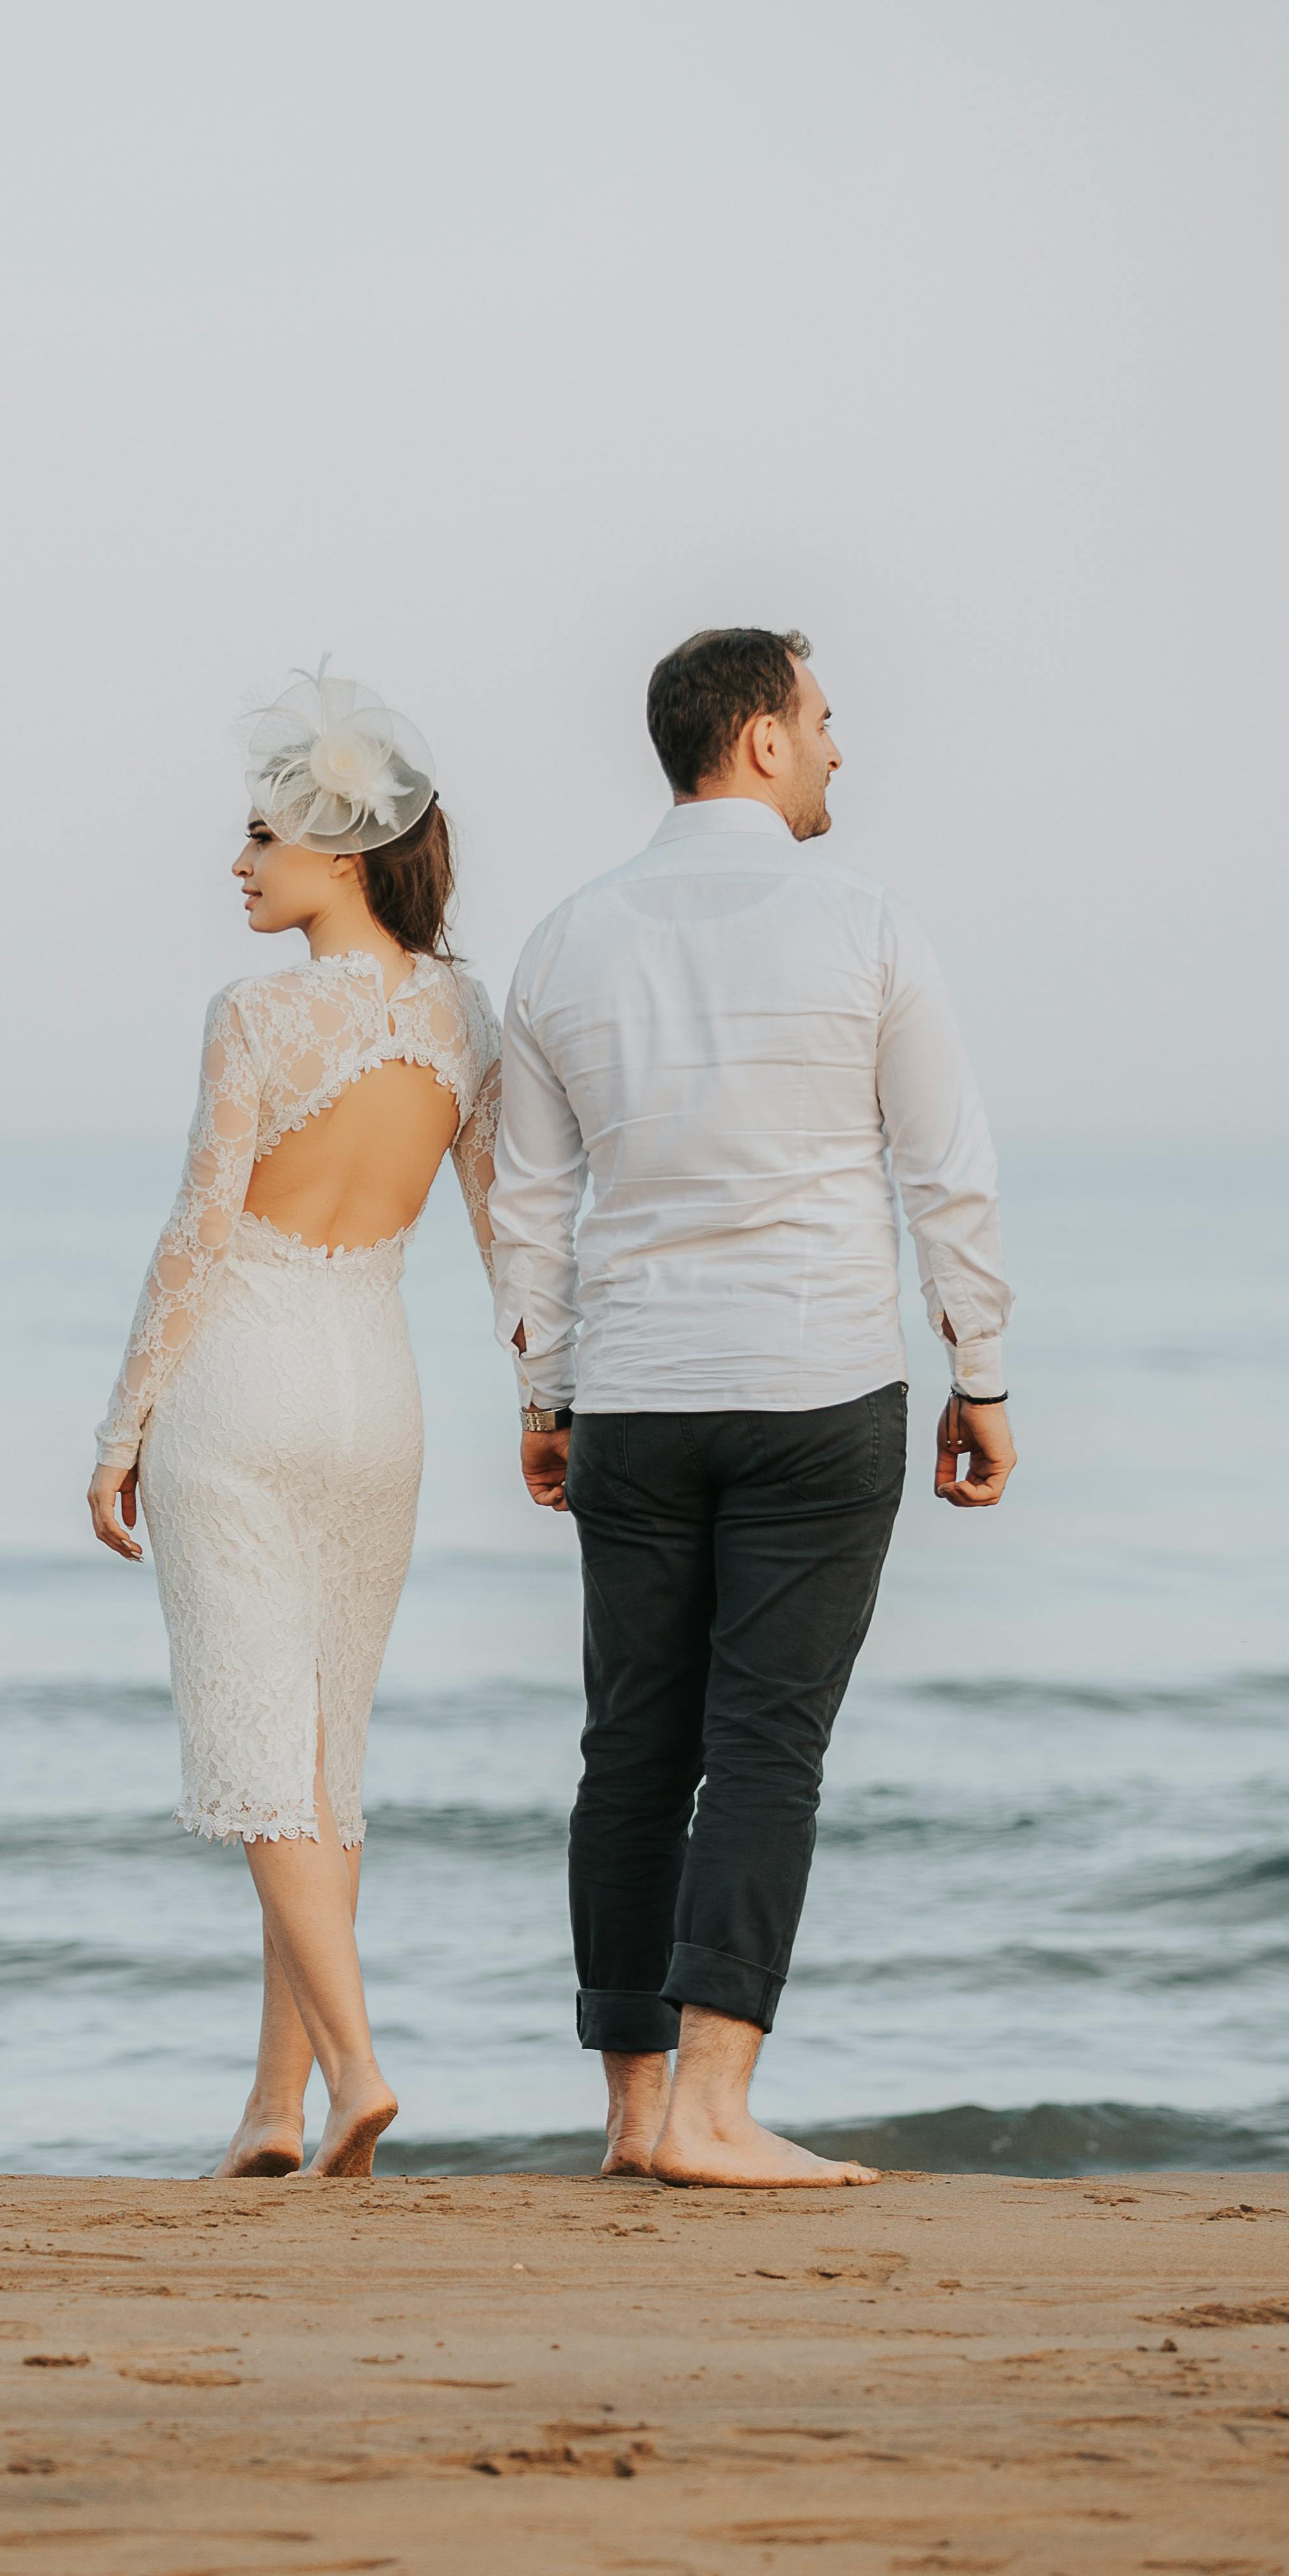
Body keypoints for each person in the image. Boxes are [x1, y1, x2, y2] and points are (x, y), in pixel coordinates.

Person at [491, 627, 1015, 2190]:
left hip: (637, 1397)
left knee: (629, 1749)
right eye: (825, 717)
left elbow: (532, 1203)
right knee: (764, 1745)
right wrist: (978, 1372)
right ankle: (715, 2111)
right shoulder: (862, 925)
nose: (840, 746)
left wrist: (544, 1393)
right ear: (762, 741)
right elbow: (945, 1174)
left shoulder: (564, 941)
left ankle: (635, 2119)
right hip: (814, 1384)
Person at [89, 670, 502, 2180]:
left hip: (243, 1384)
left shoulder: (256, 1014)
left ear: (340, 854)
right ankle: (272, 2110)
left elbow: (196, 1232)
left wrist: (118, 1423)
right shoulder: (462, 1013)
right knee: (323, 1758)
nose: (241, 865)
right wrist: (541, 1392)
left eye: (263, 839)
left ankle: (356, 2069)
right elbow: (506, 1224)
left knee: (263, 1754)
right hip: (376, 1392)